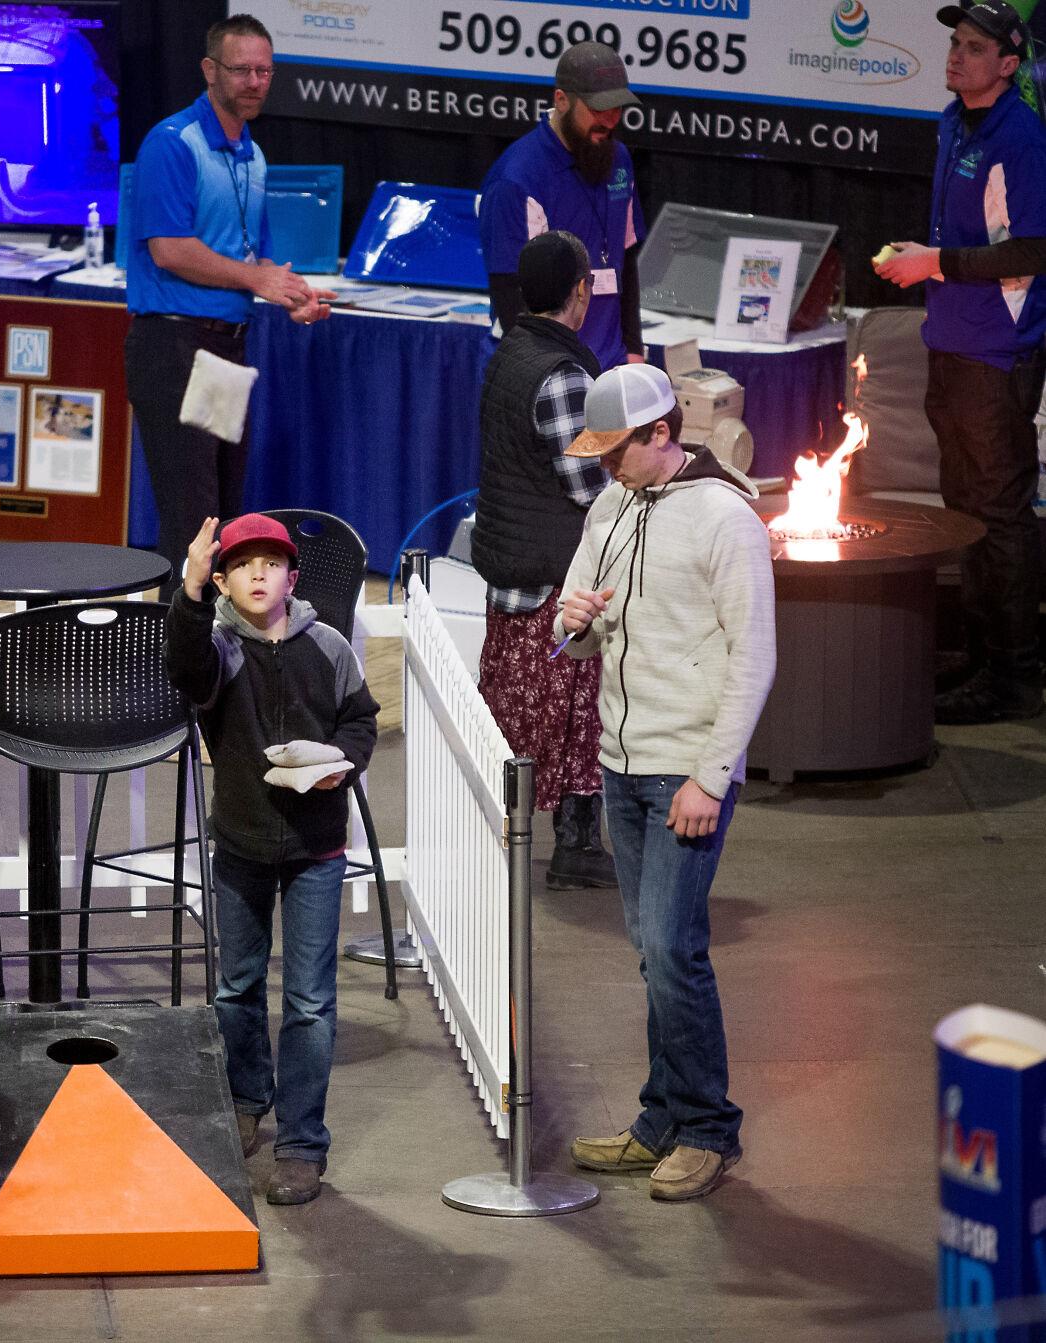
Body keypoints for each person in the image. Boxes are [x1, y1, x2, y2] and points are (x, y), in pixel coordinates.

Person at [552, 363, 775, 1201]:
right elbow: (577, 630)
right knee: (653, 952)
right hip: (622, 762)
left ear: (660, 434)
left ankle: (708, 1128)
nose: (608, 467)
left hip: (685, 768)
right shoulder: (609, 508)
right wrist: (575, 624)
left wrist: (709, 778)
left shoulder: (726, 518)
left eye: (618, 450)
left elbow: (753, 658)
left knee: (674, 950)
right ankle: (660, 1119)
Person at [164, 512, 379, 1207]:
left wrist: (341, 766)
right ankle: (244, 1099)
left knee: (311, 1001)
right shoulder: (219, 647)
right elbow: (185, 667)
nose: (258, 574)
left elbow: (360, 718)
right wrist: (190, 589)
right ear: (224, 581)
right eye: (241, 565)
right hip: (242, 842)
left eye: (272, 563)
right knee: (237, 987)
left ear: (292, 577)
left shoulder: (328, 645)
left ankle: (302, 1143)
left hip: (316, 846)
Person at [876, 0, 1046, 724]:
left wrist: (936, 262)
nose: (956, 54)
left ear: (1008, 64)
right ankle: (979, 656)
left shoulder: (1022, 137)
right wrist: (924, 260)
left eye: (975, 47)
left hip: (996, 350)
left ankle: (1015, 675)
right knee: (966, 509)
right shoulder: (953, 121)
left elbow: (1032, 248)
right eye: (955, 41)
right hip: (950, 340)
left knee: (998, 512)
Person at [125, 14, 333, 597]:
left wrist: (292, 295)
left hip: (224, 348)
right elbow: (169, 250)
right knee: (190, 519)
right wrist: (257, 279)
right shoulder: (173, 143)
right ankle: (176, 645)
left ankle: (211, 640)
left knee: (219, 513)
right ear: (209, 70)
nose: (255, 82)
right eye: (242, 70)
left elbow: (252, 260)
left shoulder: (253, 155)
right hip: (174, 345)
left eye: (265, 71)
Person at [472, 230, 617, 889]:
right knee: (575, 719)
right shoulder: (562, 375)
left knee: (517, 720)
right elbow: (589, 484)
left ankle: (522, 837)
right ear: (580, 291)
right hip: (552, 584)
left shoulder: (512, 351)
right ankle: (576, 848)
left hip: (513, 570)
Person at [479, 41, 647, 371]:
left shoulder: (618, 160)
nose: (610, 120)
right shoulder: (517, 179)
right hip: (541, 368)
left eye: (617, 109)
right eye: (598, 109)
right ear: (561, 100)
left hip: (610, 363)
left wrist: (633, 349)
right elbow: (510, 295)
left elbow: (626, 258)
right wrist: (552, 375)